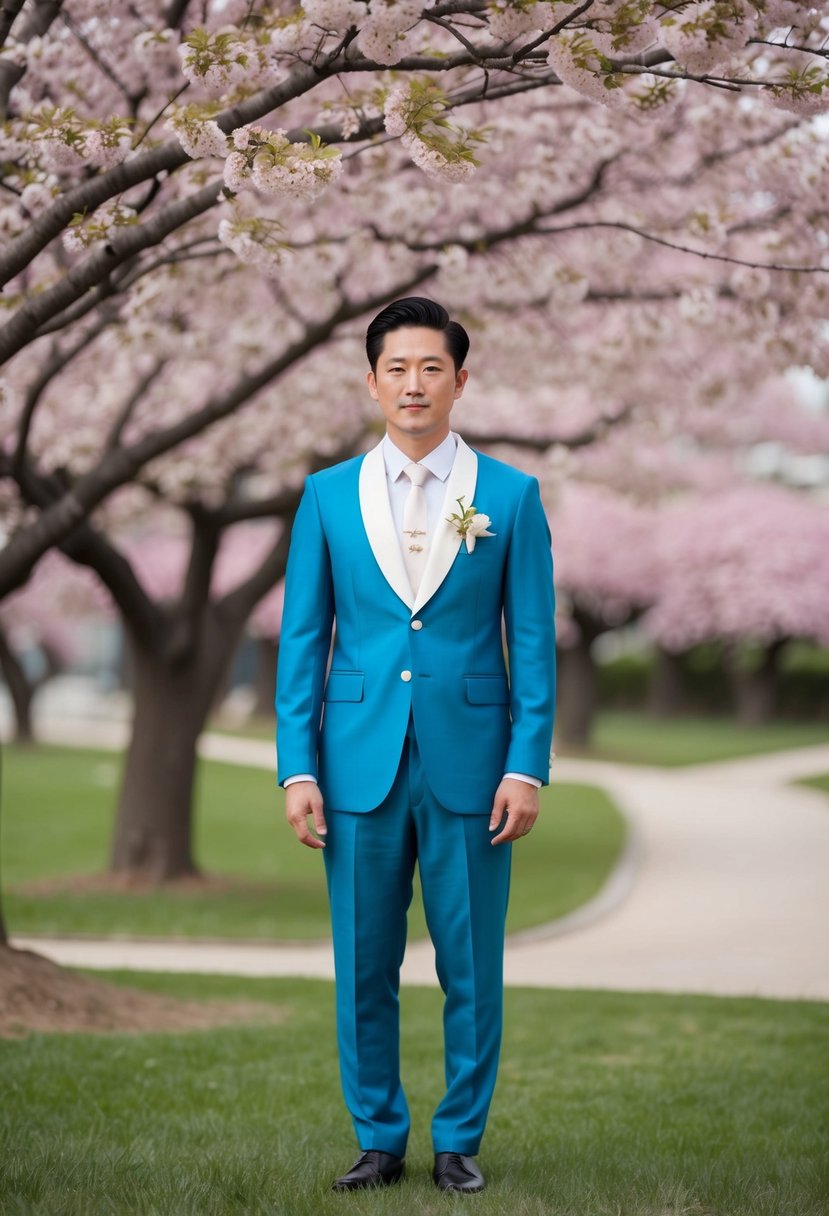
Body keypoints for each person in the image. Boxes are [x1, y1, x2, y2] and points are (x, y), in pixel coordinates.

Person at [275, 297, 556, 1194]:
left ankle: (458, 1139)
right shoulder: (325, 497)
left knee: (470, 964)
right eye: (395, 368)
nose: (412, 384)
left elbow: (535, 639)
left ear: (459, 381)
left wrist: (526, 761)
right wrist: (297, 766)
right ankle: (378, 1136)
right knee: (364, 965)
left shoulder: (510, 497)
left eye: (430, 367)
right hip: (355, 762)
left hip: (474, 764)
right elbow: (301, 640)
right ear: (371, 381)